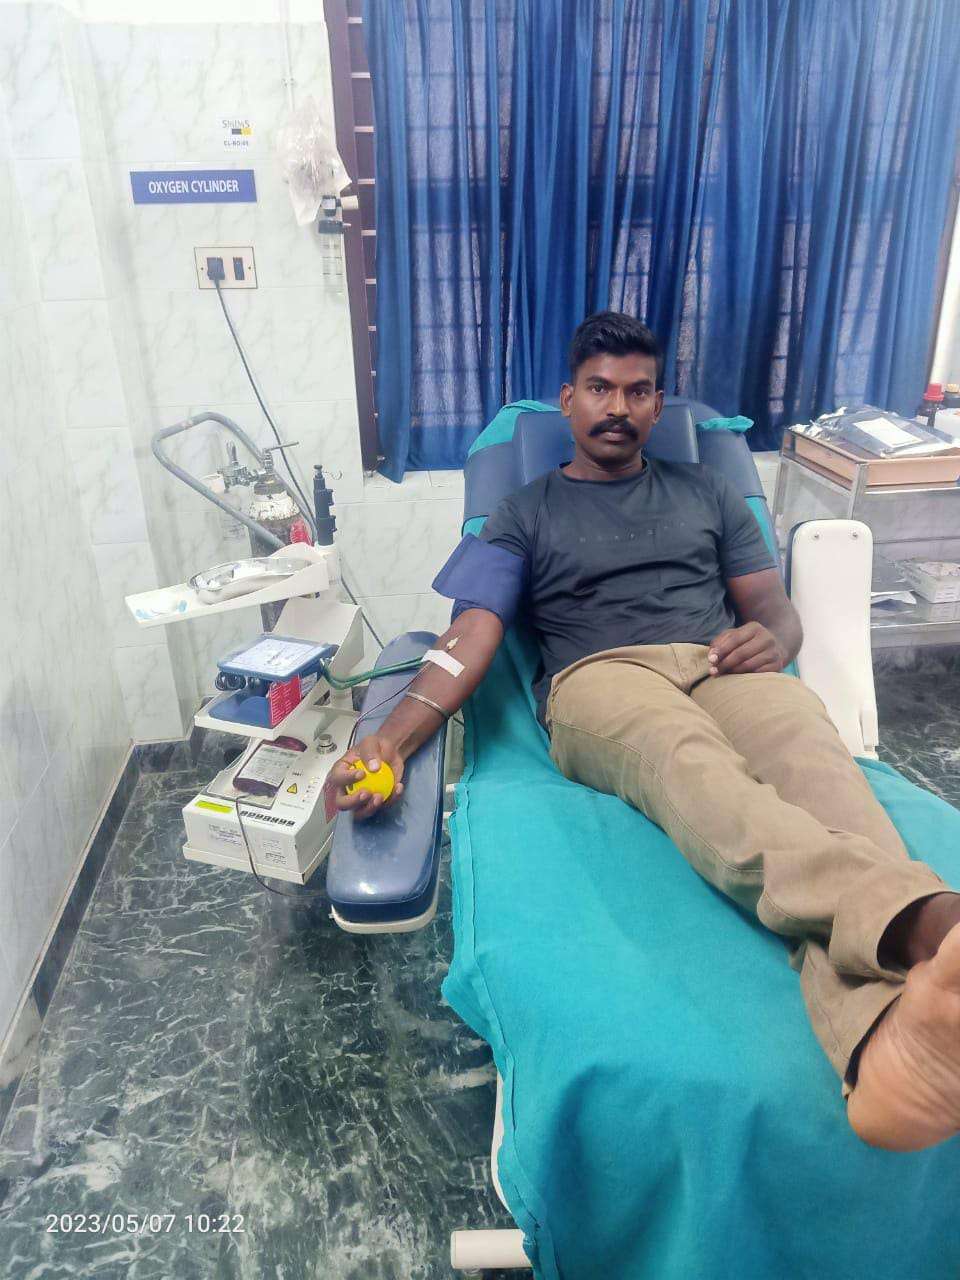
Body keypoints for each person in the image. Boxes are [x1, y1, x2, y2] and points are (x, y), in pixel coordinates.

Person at [329, 310, 960, 1153]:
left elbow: (772, 607)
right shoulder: (524, 512)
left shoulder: (707, 493)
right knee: (691, 767)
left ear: (659, 406)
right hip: (602, 678)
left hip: (720, 664)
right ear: (568, 399)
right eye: (599, 389)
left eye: (637, 391)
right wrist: (393, 738)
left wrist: (776, 639)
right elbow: (466, 638)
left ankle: (889, 1038)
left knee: (817, 761)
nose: (617, 407)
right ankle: (930, 925)